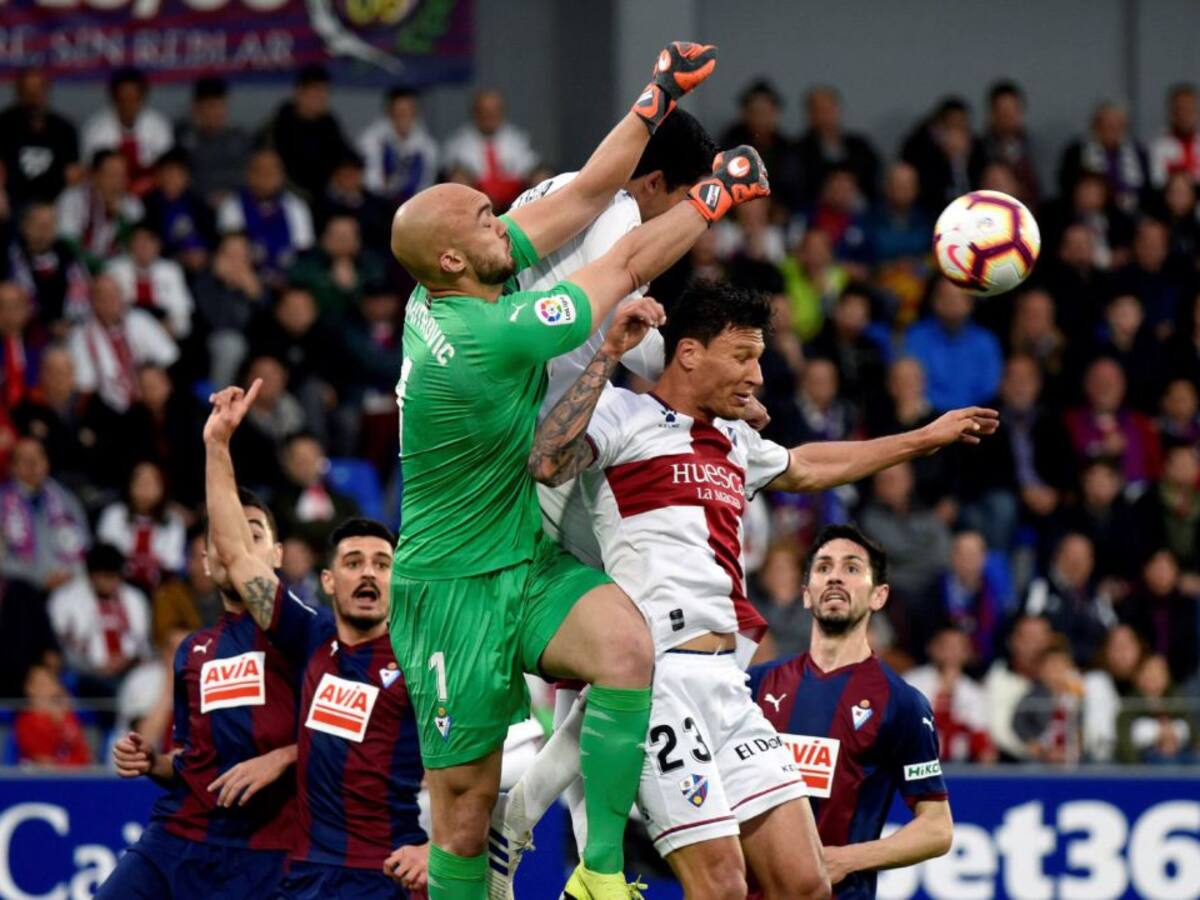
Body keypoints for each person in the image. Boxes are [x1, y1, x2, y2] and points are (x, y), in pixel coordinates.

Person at [505, 283, 994, 899]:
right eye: (742, 357)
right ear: (687, 353)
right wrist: (606, 355)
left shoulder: (735, 442)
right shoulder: (624, 416)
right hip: (656, 683)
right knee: (722, 887)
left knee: (804, 881)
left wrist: (924, 437)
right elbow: (547, 460)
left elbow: (814, 466)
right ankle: (517, 828)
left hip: (729, 685)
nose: (758, 376)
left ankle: (516, 821)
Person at [388, 42, 727, 899]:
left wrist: (656, 93)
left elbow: (585, 192)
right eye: (479, 218)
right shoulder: (489, 337)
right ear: (456, 260)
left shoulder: (453, 281)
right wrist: (720, 195)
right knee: (461, 819)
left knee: (624, 648)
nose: (496, 221)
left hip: (520, 550)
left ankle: (600, 875)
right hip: (449, 587)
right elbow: (625, 265)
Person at [204, 382, 429, 897]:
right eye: (353, 564)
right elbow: (237, 556)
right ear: (329, 582)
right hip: (308, 874)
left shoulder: (420, 660)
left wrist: (436, 848)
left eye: (382, 564)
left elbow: (467, 760)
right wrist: (218, 446)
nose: (368, 575)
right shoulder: (309, 637)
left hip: (389, 872)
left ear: (399, 581)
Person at [97, 489, 301, 899]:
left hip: (265, 852)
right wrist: (154, 762)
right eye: (223, 538)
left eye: (253, 535)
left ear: (276, 555)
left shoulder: (306, 637)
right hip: (176, 836)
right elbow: (191, 760)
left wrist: (281, 758)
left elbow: (348, 742)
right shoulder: (192, 651)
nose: (237, 547)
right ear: (207, 561)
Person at [749, 525, 954, 897]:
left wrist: (847, 859)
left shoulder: (902, 703)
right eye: (824, 568)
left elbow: (937, 829)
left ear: (879, 596)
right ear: (807, 595)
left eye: (852, 568)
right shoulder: (753, 687)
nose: (836, 577)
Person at [48, 542, 152, 698]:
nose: (112, 583)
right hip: (84, 674)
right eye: (106, 576)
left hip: (129, 671)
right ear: (91, 575)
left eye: (115, 576)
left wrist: (128, 661)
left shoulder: (135, 599)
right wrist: (92, 667)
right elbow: (61, 646)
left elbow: (142, 642)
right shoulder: (64, 599)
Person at [67, 273, 179, 414]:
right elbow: (85, 386)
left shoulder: (141, 320)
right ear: (93, 301)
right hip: (108, 412)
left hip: (151, 406)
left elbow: (170, 360)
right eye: (103, 296)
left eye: (114, 294)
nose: (110, 301)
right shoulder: (80, 337)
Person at [0, 435, 88, 590]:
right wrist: (38, 578)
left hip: (69, 583)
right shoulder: (2, 502)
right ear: (12, 467)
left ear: (47, 462)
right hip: (20, 588)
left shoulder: (65, 498)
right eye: (25, 459)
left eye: (38, 456)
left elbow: (84, 541)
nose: (33, 463)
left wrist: (70, 573)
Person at [262, 65, 352, 200]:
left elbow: (345, 155)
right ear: (299, 92)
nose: (321, 97)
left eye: (325, 91)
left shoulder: (328, 122)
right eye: (316, 91)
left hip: (327, 193)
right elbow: (270, 166)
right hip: (289, 194)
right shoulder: (280, 123)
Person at [80, 68, 172, 195]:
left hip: (151, 191)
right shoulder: (96, 128)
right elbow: (91, 172)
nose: (128, 104)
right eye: (123, 98)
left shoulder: (158, 125)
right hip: (109, 193)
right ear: (113, 98)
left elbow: (167, 169)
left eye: (134, 98)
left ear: (143, 98)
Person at [442, 89, 539, 210]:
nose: (490, 116)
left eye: (495, 110)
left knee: (541, 177)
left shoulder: (517, 139)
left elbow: (530, 170)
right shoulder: (458, 143)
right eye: (484, 111)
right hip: (476, 204)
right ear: (475, 113)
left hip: (515, 202)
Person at [0, 69, 80, 207]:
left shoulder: (64, 129)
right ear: (19, 93)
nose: (33, 97)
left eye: (38, 90)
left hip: (55, 204)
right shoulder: (4, 125)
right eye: (28, 91)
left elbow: (73, 173)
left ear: (46, 92)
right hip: (12, 203)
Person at [173, 77, 252, 206]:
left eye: (218, 106)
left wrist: (230, 195)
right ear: (196, 108)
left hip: (238, 206)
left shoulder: (241, 139)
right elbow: (179, 180)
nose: (213, 113)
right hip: (196, 208)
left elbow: (251, 177)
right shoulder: (183, 139)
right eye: (207, 107)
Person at [358, 87, 439, 204]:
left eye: (408, 111)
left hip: (412, 205)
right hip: (378, 203)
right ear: (389, 112)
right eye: (399, 112)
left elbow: (426, 186)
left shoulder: (428, 146)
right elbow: (371, 183)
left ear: (415, 112)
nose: (404, 116)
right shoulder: (370, 139)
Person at [1149, 83, 1200, 189]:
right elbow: (1158, 182)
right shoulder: (1157, 147)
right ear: (1171, 113)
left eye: (1190, 109)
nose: (1185, 115)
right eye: (1181, 109)